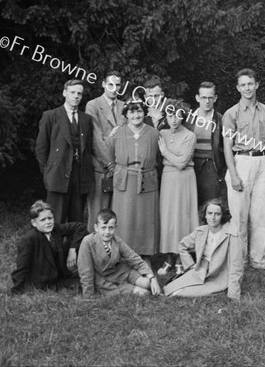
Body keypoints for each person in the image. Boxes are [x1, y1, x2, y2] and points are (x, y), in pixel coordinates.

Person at [222, 68, 265, 270]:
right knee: (239, 215)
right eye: (243, 85)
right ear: (238, 88)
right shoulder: (231, 113)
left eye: (250, 83)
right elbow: (227, 146)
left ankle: (259, 260)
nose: (247, 88)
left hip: (262, 161)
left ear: (257, 85)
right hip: (241, 162)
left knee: (261, 214)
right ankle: (240, 259)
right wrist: (234, 174)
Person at [35, 79, 95, 224]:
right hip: (57, 175)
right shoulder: (50, 116)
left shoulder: (86, 119)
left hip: (79, 176)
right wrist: (49, 171)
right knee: (55, 219)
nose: (76, 96)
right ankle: (55, 247)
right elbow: (41, 148)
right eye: (72, 92)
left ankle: (73, 247)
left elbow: (88, 148)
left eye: (79, 93)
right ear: (64, 93)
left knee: (77, 220)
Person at [109, 100, 160, 266]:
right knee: (125, 217)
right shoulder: (117, 133)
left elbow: (159, 157)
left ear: (144, 113)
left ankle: (145, 256)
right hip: (125, 179)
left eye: (139, 111)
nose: (136, 115)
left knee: (146, 218)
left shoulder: (154, 133)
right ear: (125, 115)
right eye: (131, 112)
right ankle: (124, 255)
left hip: (147, 179)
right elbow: (110, 155)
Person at [164, 198, 244, 300]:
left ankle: (220, 289)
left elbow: (236, 266)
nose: (213, 218)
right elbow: (182, 246)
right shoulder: (201, 231)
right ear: (205, 215)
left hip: (219, 275)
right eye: (210, 213)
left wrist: (233, 294)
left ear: (222, 215)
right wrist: (191, 266)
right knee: (168, 289)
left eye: (217, 214)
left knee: (179, 293)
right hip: (200, 271)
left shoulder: (232, 235)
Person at [157, 100, 199, 277]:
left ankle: (183, 259)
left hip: (184, 179)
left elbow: (182, 163)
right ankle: (169, 259)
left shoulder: (190, 135)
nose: (174, 119)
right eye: (170, 115)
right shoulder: (162, 133)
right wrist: (170, 158)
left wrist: (165, 152)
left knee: (183, 217)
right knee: (168, 218)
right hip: (168, 179)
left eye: (178, 115)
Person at [77, 209, 161, 297]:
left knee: (147, 283)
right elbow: (85, 271)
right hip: (104, 280)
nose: (107, 232)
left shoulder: (116, 241)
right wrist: (88, 295)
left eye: (111, 228)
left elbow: (135, 259)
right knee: (143, 293)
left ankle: (138, 284)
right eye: (103, 228)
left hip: (121, 273)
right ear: (96, 227)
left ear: (115, 227)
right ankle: (128, 288)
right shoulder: (88, 241)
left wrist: (152, 278)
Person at [10, 200, 87, 294]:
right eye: (43, 220)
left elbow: (80, 227)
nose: (48, 222)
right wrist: (16, 290)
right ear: (34, 223)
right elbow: (22, 266)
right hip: (44, 280)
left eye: (50, 218)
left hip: (58, 271)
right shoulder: (29, 239)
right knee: (81, 285)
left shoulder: (55, 229)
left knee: (85, 237)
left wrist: (72, 250)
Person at [85, 71, 126, 232]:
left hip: (121, 166)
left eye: (117, 85)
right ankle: (93, 248)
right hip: (101, 166)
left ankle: (114, 251)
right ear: (103, 84)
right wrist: (110, 163)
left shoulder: (124, 106)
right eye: (110, 84)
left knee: (117, 212)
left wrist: (119, 165)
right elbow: (95, 139)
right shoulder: (93, 105)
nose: (114, 88)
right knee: (98, 211)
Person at [185, 82, 226, 205]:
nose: (207, 101)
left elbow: (226, 148)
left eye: (210, 97)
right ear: (197, 98)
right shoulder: (188, 119)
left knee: (212, 205)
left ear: (215, 98)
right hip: (190, 165)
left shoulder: (221, 120)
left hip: (211, 166)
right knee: (190, 204)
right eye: (203, 97)